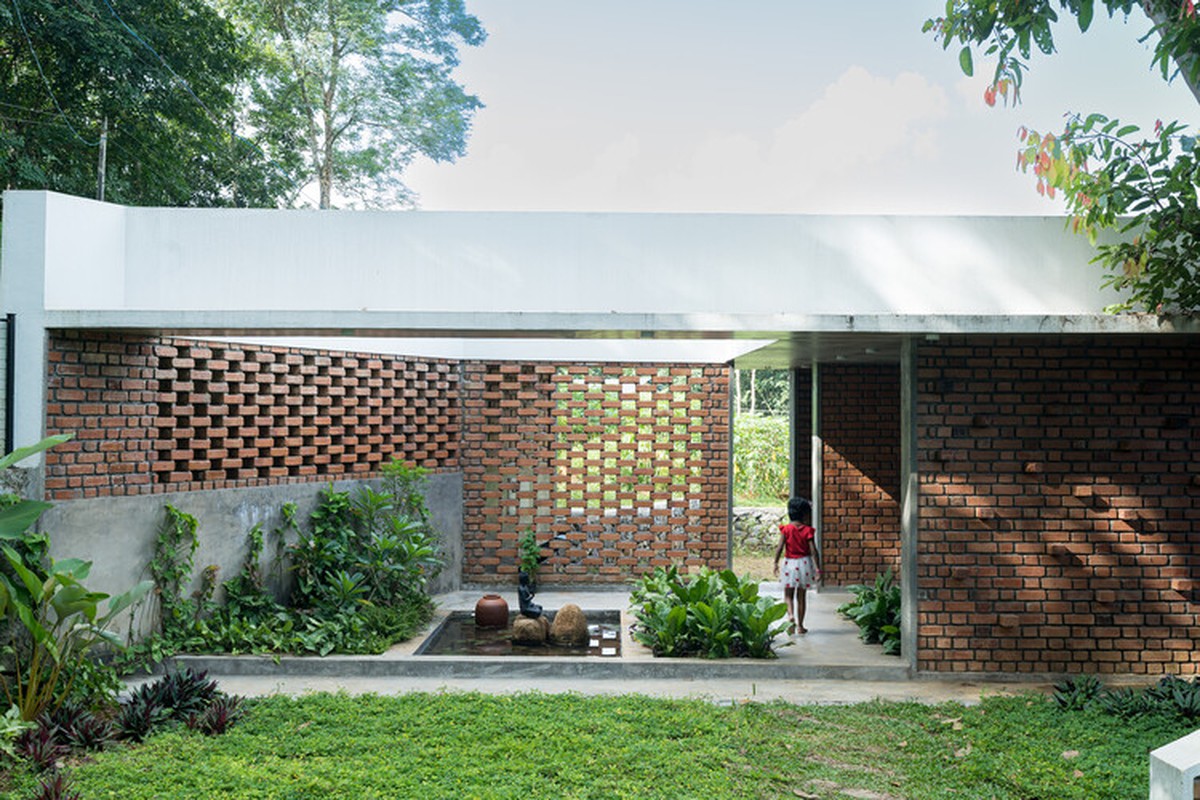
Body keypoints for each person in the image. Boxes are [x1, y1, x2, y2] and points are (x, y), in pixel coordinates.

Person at [773, 497, 821, 634]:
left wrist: (775, 563)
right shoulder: (808, 531)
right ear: (804, 514)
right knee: (801, 597)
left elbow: (779, 548)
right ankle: (800, 626)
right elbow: (813, 551)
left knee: (788, 594)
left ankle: (790, 615)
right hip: (804, 564)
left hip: (789, 564)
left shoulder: (786, 529)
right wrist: (817, 569)